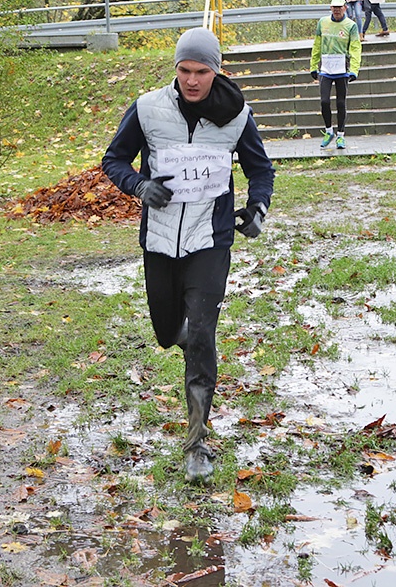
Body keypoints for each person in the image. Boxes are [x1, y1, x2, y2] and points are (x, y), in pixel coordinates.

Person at [102, 28, 275, 485]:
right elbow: (113, 160)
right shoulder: (147, 109)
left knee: (201, 334)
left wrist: (258, 207)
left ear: (216, 71)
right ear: (175, 69)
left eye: (201, 71)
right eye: (184, 71)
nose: (192, 80)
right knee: (166, 332)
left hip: (210, 241)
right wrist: (139, 185)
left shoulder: (236, 116)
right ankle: (183, 336)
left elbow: (260, 168)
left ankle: (197, 443)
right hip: (159, 241)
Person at [310, 0, 362, 150]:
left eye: (340, 7)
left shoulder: (350, 26)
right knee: (324, 101)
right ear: (330, 8)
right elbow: (317, 44)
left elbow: (355, 48)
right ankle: (328, 131)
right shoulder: (322, 22)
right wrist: (313, 65)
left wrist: (354, 69)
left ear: (345, 8)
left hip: (342, 69)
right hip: (325, 69)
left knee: (340, 103)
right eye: (334, 7)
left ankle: (341, 135)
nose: (337, 10)